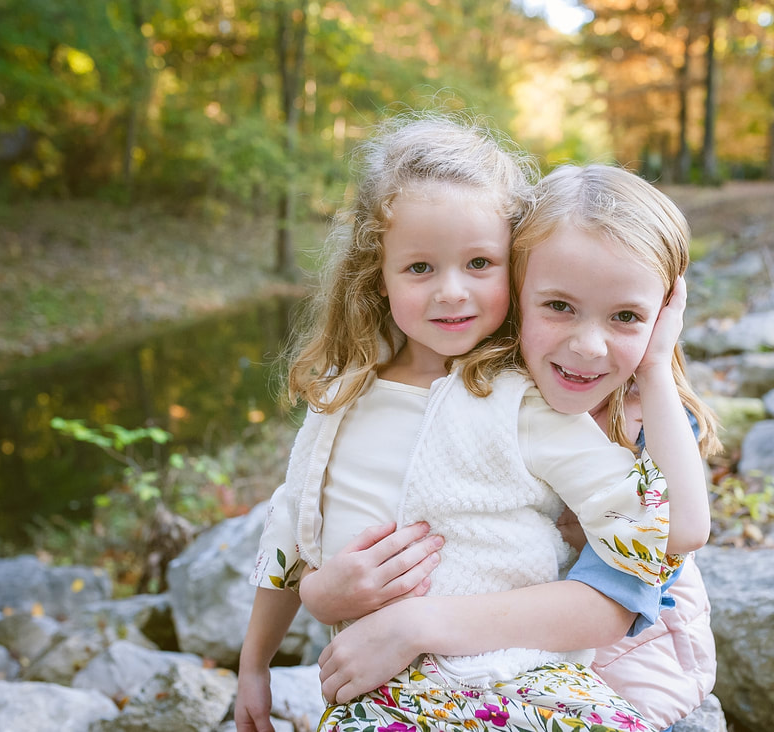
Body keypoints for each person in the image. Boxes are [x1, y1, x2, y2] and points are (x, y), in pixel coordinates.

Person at [235, 117, 707, 732]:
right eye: (420, 268)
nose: (452, 292)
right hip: (394, 685)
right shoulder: (343, 400)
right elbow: (292, 526)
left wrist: (655, 368)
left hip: (601, 669)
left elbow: (673, 531)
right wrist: (265, 652)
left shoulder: (528, 403)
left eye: (479, 263)